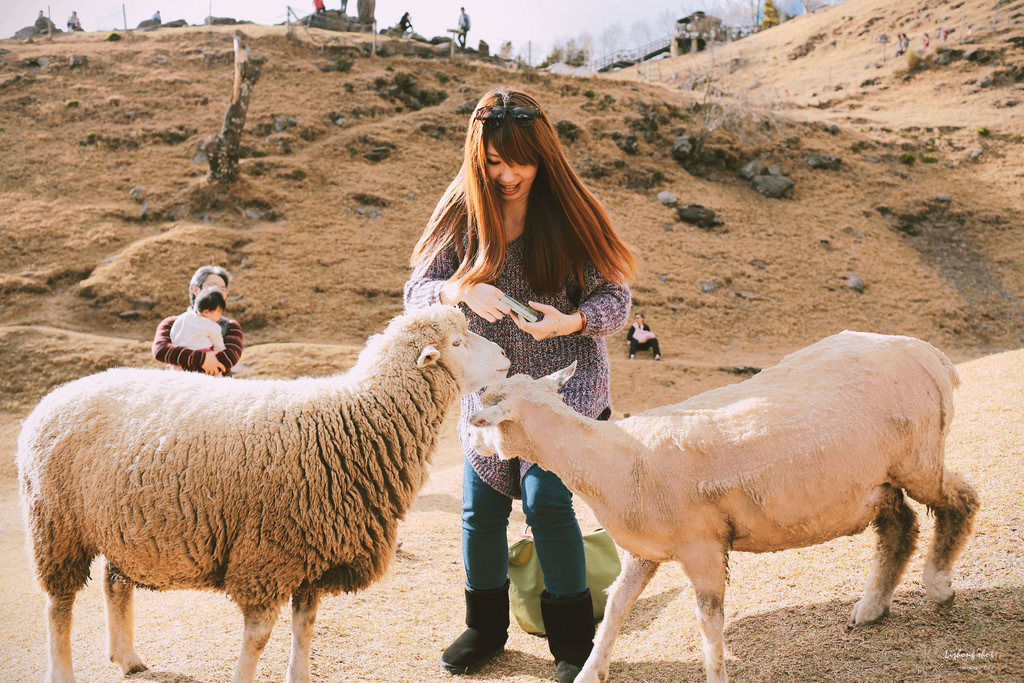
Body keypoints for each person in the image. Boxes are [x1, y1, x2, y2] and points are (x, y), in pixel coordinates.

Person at [404, 87, 636, 683]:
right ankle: (485, 626)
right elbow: (416, 295)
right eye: (493, 162)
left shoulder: (568, 211)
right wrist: (460, 290)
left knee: (547, 501)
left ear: (543, 155)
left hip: (566, 382)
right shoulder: (460, 210)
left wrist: (573, 320)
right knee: (479, 510)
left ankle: (572, 640)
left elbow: (617, 299)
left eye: (520, 161)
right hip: (490, 385)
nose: (507, 175)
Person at [153, 265, 243, 376]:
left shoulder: (231, 327)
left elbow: (229, 357)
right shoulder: (171, 322)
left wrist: (183, 360)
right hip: (177, 388)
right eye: (212, 286)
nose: (218, 292)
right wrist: (203, 359)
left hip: (217, 390)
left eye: (223, 289)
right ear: (196, 290)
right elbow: (161, 350)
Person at [168, 287, 227, 357]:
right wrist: (220, 350)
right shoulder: (212, 326)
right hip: (202, 354)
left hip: (179, 352)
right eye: (219, 312)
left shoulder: (184, 316)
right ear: (206, 312)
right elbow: (218, 345)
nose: (220, 316)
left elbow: (173, 332)